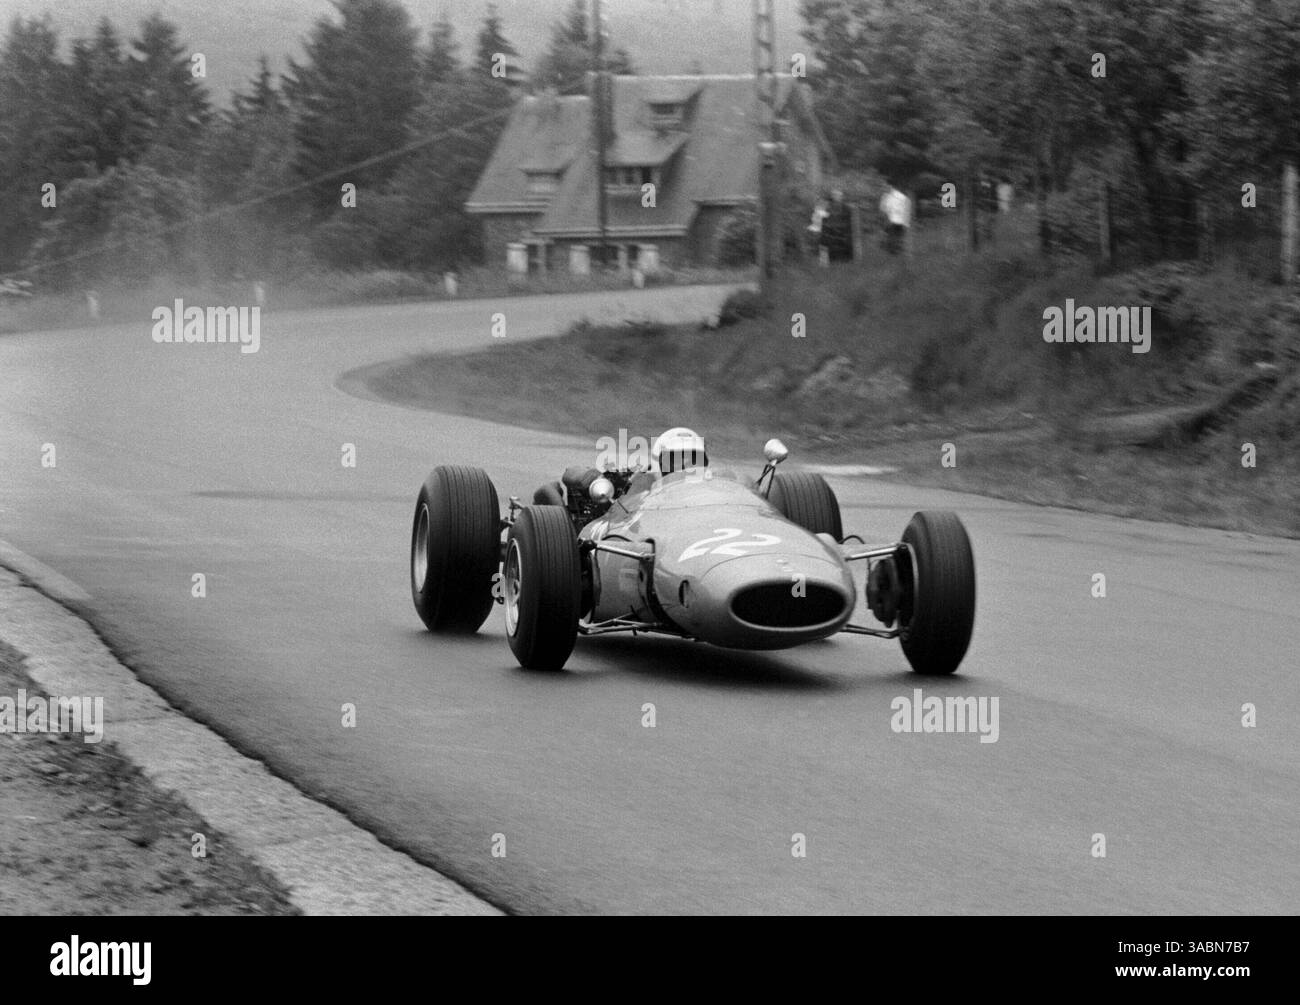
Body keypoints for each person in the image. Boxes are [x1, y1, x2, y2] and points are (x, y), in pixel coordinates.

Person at [879, 183, 911, 255]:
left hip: (893, 221)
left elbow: (883, 210)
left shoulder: (887, 197)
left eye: (886, 186)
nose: (885, 188)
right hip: (897, 221)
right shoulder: (902, 197)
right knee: (897, 238)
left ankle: (895, 252)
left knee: (893, 238)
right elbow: (883, 210)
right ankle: (897, 251)